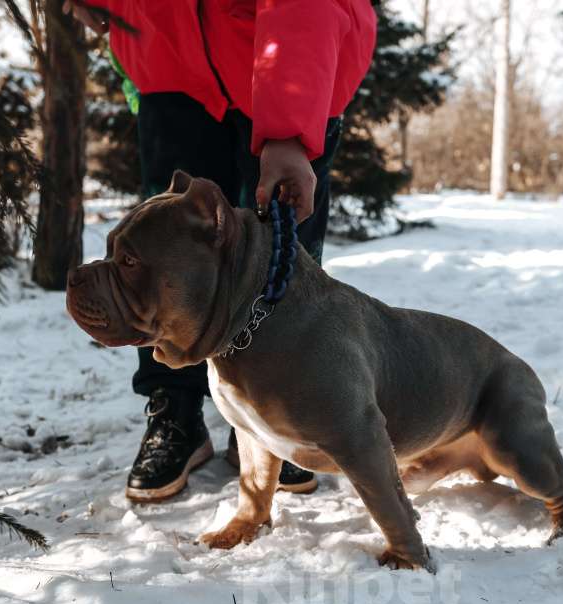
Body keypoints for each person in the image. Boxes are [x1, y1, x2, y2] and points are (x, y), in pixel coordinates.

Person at [64, 0, 377, 502]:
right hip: (167, 55)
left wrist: (289, 130)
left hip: (287, 57)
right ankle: (175, 412)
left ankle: (282, 419)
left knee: (281, 261)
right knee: (156, 262)